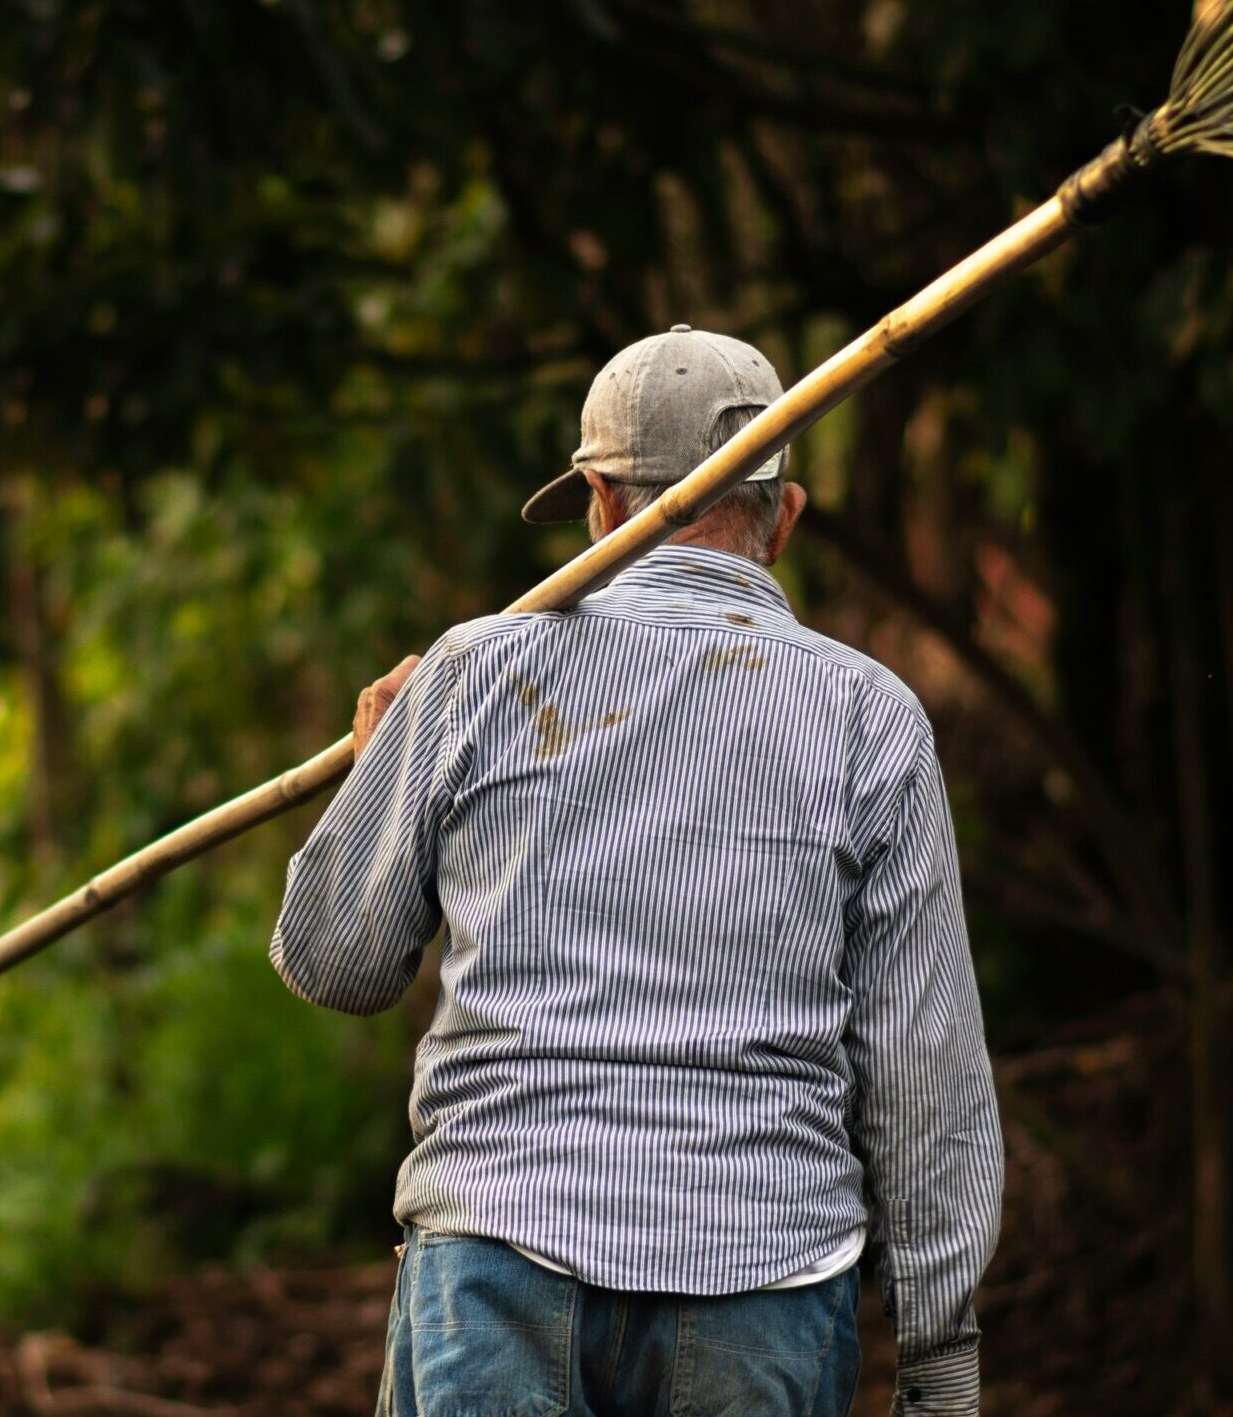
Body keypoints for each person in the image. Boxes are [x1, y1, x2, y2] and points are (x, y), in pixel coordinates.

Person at [269, 326, 1002, 1417]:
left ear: (600, 502)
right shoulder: (871, 720)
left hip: (495, 1269)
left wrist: (379, 769)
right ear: (785, 517)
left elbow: (334, 960)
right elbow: (922, 1072)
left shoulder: (475, 672)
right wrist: (939, 1357)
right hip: (764, 1285)